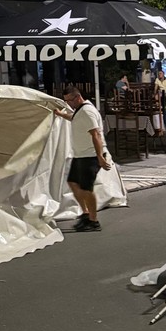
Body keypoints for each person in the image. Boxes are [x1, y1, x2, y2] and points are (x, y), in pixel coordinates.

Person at [53, 86, 112, 232]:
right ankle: (85, 213)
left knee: (86, 188)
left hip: (90, 155)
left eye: (69, 101)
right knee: (73, 183)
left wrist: (100, 157)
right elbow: (73, 118)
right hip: (80, 155)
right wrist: (60, 114)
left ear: (77, 97)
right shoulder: (80, 110)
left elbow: (96, 134)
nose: (69, 104)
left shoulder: (87, 111)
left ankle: (93, 221)